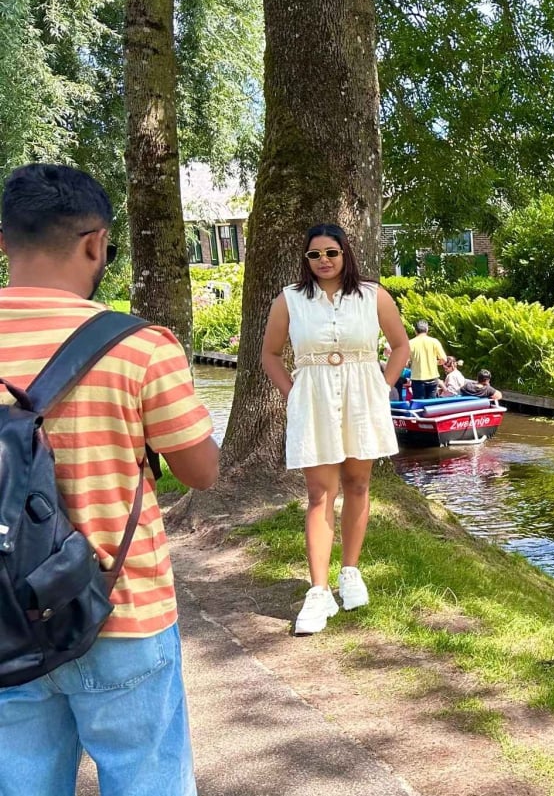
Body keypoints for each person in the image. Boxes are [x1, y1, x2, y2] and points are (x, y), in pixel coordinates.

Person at [0, 163, 220, 795]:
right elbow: (200, 471)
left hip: (3, 614)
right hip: (119, 608)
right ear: (96, 244)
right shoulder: (139, 346)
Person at [261, 224, 411, 636]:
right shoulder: (288, 300)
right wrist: (294, 393)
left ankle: (350, 571)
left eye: (331, 252)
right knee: (319, 493)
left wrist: (384, 385)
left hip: (364, 395)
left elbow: (401, 345)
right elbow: (270, 355)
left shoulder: (373, 295)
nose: (323, 260)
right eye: (315, 254)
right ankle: (318, 590)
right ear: (305, 260)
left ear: (345, 253)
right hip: (314, 398)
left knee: (359, 484)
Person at [407, 320, 445, 399]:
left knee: (419, 404)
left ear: (415, 331)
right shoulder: (434, 342)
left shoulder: (410, 343)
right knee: (431, 405)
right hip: (433, 377)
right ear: (427, 330)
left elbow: (405, 363)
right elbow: (443, 359)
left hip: (417, 379)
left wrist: (412, 364)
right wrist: (434, 362)